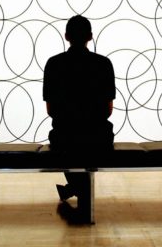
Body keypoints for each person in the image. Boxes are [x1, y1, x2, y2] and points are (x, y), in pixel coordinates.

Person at [42, 15, 115, 224]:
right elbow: (108, 110)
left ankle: (75, 188)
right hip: (99, 136)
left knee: (67, 145)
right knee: (88, 145)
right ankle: (79, 191)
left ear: (66, 36)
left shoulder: (54, 64)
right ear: (90, 37)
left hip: (64, 136)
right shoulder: (103, 64)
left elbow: (51, 110)